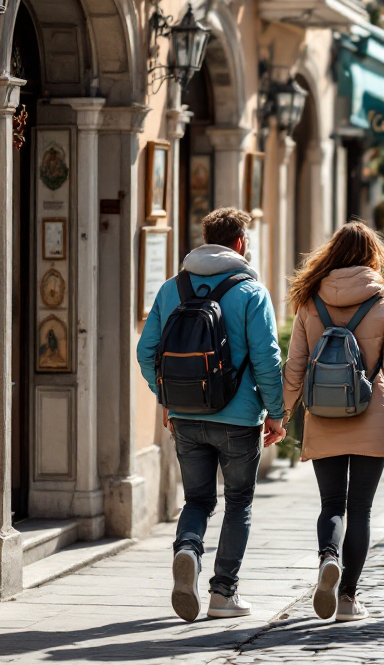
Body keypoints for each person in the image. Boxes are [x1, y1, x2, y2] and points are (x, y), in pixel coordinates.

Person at [136, 207, 286, 622]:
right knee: (238, 503)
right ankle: (223, 594)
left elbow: (145, 352)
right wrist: (276, 412)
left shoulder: (172, 288)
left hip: (185, 415)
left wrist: (166, 397)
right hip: (238, 419)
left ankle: (187, 550)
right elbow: (267, 359)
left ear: (207, 238)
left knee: (198, 499)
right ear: (240, 243)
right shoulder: (252, 292)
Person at [282, 222, 384, 623]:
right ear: (372, 257)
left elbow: (294, 368)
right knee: (361, 508)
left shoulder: (310, 302)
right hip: (370, 414)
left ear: (331, 254)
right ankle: (347, 598)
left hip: (323, 414)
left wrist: (280, 415)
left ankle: (329, 556)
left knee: (331, 505)